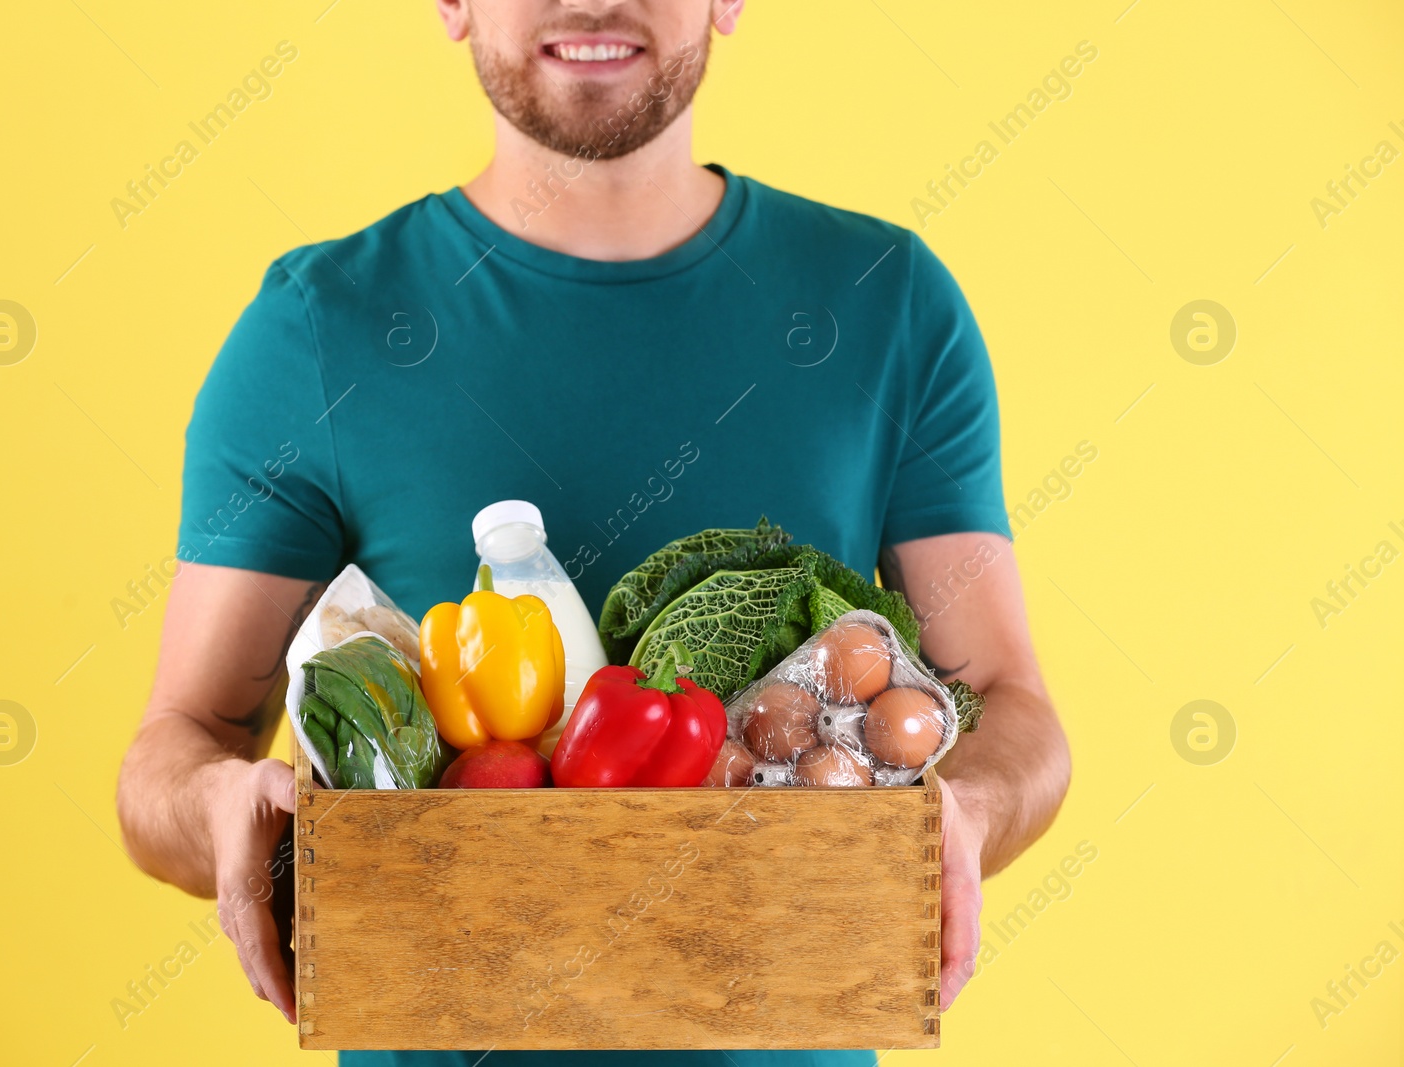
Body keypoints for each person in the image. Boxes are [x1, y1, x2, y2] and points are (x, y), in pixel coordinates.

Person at [116, 1, 1072, 1064]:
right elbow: (174, 746)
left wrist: (972, 805)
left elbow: (1014, 708)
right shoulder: (315, 330)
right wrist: (218, 801)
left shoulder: (888, 304)